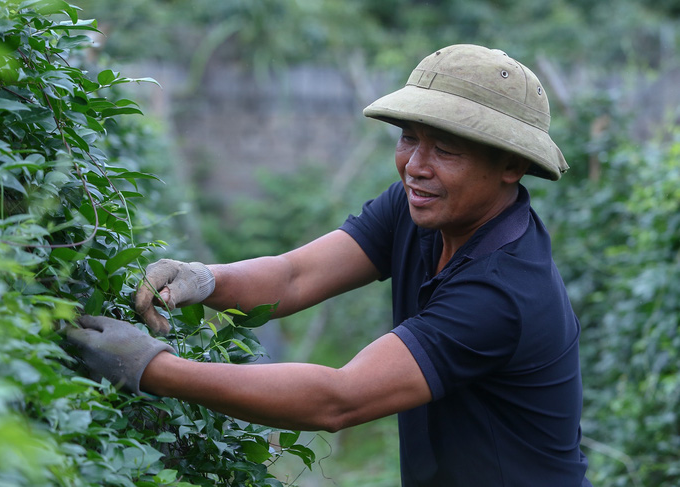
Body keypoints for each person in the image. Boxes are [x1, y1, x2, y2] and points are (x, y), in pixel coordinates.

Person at [67, 44, 592, 486]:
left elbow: (337, 401)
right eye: (409, 138)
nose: (415, 166)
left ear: (511, 165)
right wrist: (204, 278)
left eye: (446, 150)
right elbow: (295, 277)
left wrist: (152, 368)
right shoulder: (419, 210)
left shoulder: (503, 292)